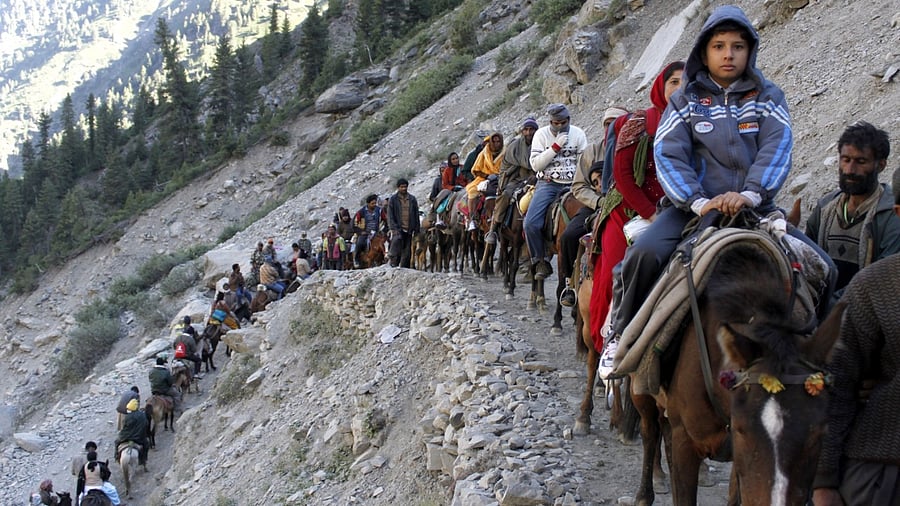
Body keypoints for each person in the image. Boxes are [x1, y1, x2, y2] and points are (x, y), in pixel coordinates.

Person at [609, 5, 835, 343]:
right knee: (644, 255)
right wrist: (698, 201)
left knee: (826, 269)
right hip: (691, 210)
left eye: (737, 46)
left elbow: (777, 148)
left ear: (749, 50)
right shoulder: (685, 100)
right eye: (719, 46)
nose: (728, 54)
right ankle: (620, 337)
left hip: (755, 207)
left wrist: (749, 194)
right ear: (705, 52)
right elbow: (668, 154)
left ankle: (822, 356)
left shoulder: (768, 96)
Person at [812, 170, 900, 506]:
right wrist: (823, 481)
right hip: (883, 466)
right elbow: (838, 384)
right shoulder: (873, 286)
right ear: (899, 213)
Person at [805, 121, 900, 303]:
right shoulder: (825, 208)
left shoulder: (891, 215)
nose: (849, 170)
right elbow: (807, 259)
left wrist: (830, 307)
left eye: (860, 162)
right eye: (846, 160)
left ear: (880, 165)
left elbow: (883, 280)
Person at [557, 105, 631, 306]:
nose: (611, 128)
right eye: (607, 124)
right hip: (596, 205)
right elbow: (579, 186)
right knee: (569, 236)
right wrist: (598, 201)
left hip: (628, 206)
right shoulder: (592, 151)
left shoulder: (635, 148)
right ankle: (569, 284)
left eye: (616, 123)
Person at [526, 103, 589, 279]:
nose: (560, 126)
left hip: (574, 184)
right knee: (530, 223)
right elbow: (536, 164)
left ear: (568, 120)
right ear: (550, 122)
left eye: (563, 122)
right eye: (556, 123)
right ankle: (540, 260)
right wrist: (554, 148)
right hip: (549, 184)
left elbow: (583, 162)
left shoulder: (578, 134)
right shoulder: (541, 135)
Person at [486, 117, 539, 245]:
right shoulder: (514, 146)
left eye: (531, 129)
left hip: (538, 177)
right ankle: (495, 226)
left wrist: (538, 174)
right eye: (526, 129)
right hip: (517, 178)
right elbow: (525, 163)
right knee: (505, 195)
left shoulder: (541, 143)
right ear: (522, 131)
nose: (529, 132)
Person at [465, 132, 505, 231]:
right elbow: (476, 170)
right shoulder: (483, 153)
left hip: (501, 178)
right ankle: (472, 219)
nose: (496, 144)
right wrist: (487, 176)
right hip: (484, 178)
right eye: (494, 142)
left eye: (498, 142)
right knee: (472, 191)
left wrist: (500, 175)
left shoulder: (506, 152)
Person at [387, 178, 421, 268]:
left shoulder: (412, 199)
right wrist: (393, 228)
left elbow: (416, 214)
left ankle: (405, 269)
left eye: (405, 187)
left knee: (407, 251)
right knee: (397, 248)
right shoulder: (393, 199)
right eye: (402, 187)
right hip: (398, 228)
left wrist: (417, 229)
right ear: (398, 188)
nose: (404, 189)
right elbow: (390, 215)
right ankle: (393, 266)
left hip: (409, 228)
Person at [114, 398, 149, 468]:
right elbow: (146, 425)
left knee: (116, 442)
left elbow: (125, 427)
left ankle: (116, 456)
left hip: (125, 437)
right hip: (138, 437)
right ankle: (143, 459)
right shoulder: (142, 415)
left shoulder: (127, 416)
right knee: (146, 444)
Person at [354, 194, 387, 266]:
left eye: (375, 203)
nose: (374, 205)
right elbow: (355, 223)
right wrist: (360, 232)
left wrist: (384, 229)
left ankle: (384, 258)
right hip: (365, 232)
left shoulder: (379, 210)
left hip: (377, 232)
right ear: (368, 204)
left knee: (384, 243)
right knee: (359, 243)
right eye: (372, 203)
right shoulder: (361, 212)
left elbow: (385, 220)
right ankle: (356, 259)